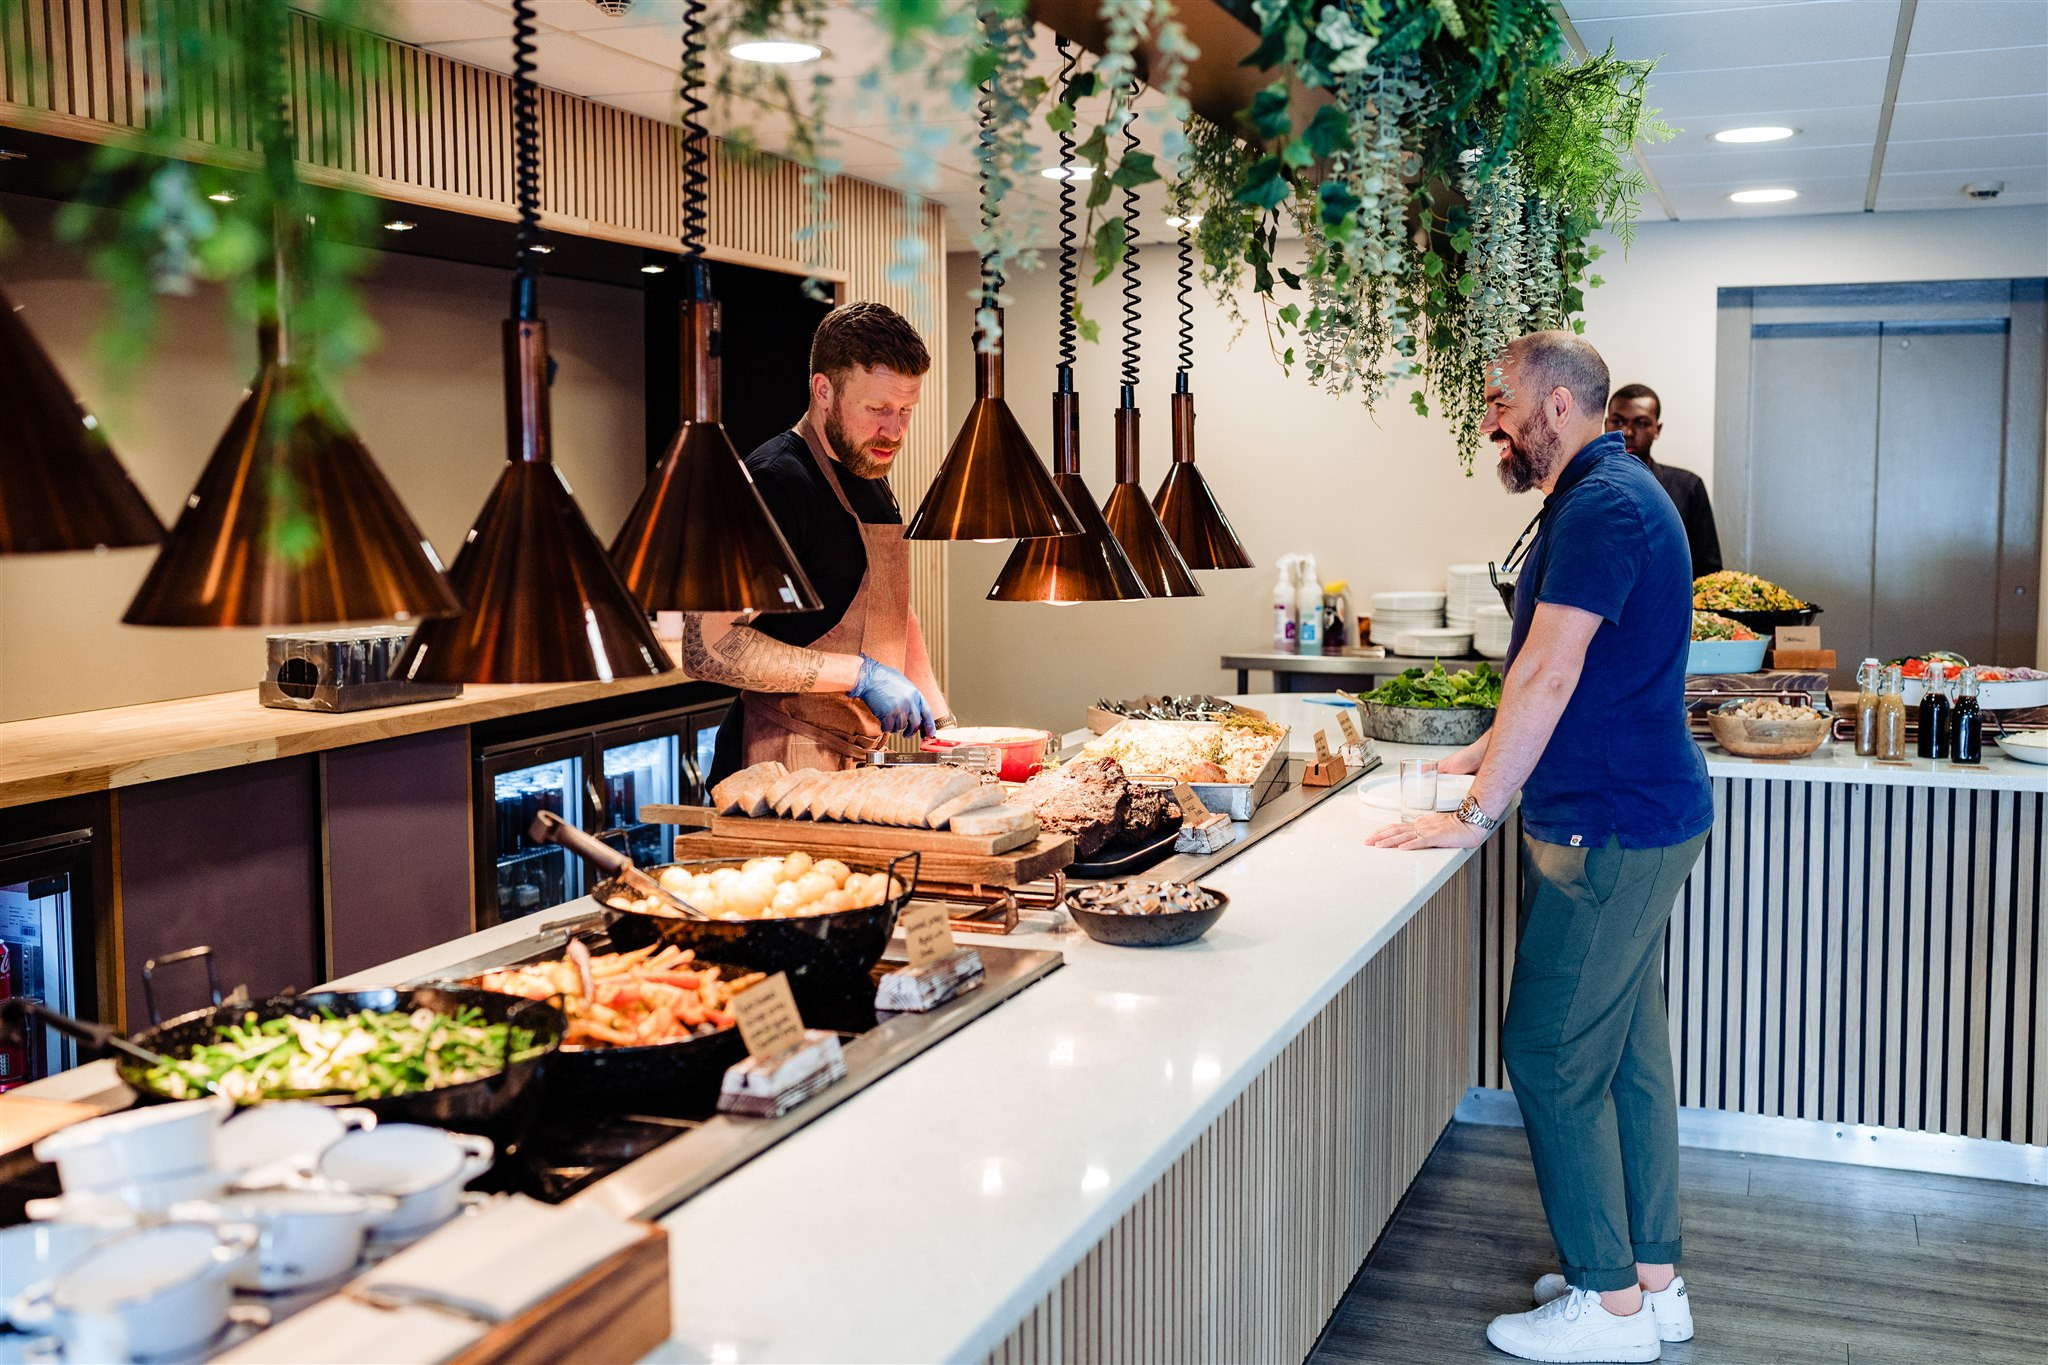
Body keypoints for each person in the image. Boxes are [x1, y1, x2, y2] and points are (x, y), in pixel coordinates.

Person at [1367, 332, 1713, 1363]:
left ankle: (1608, 1311)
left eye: (1497, 401)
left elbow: (1552, 678)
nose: (1487, 421)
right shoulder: (1611, 493)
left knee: (1551, 1055)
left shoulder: (1603, 506)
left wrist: (1472, 814)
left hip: (1604, 824)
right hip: (1638, 813)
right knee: (1626, 1058)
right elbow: (1545, 676)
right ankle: (1651, 1280)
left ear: (1556, 405)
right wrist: (1470, 761)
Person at [692, 302, 952, 784]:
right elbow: (705, 645)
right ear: (824, 390)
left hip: (852, 760)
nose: (894, 432)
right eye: (877, 409)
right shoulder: (774, 482)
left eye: (905, 411)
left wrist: (945, 729)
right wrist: (860, 675)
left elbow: (892, 609)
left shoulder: (868, 471)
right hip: (776, 764)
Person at [1605, 383, 1722, 581]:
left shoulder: (1687, 487)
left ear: (1657, 429)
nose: (1627, 432)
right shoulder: (1583, 485)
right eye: (1618, 421)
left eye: (1641, 423)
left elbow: (1708, 573)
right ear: (1606, 424)